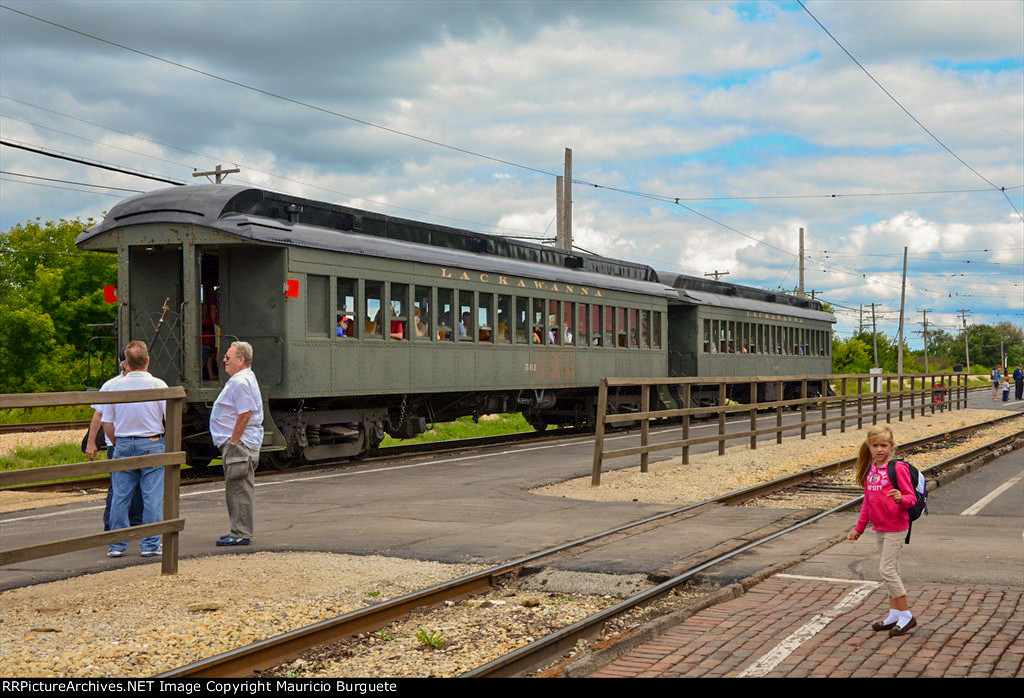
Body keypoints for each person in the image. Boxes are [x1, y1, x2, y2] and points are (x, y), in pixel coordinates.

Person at [846, 424, 918, 636]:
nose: (879, 450)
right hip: (880, 528)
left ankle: (906, 615)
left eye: (884, 445)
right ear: (869, 447)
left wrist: (900, 498)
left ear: (891, 446)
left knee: (886, 571)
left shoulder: (898, 469)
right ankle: (894, 613)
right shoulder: (872, 471)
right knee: (892, 571)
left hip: (896, 527)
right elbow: (867, 503)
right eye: (875, 445)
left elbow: (911, 498)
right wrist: (858, 529)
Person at [100, 341, 168, 558]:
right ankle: (150, 544)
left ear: (126, 363)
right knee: (152, 496)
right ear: (148, 360)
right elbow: (171, 417)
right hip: (151, 442)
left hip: (123, 443)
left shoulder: (114, 387)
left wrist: (118, 443)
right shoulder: (159, 385)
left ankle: (116, 545)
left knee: (121, 495)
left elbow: (107, 422)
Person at [210, 341, 264, 546]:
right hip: (241, 443)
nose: (223, 360)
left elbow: (245, 413)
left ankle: (241, 532)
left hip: (239, 445)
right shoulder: (243, 378)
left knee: (240, 488)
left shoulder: (240, 382)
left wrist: (233, 442)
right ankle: (237, 529)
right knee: (235, 488)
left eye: (227, 357)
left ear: (240, 360)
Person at [85, 357, 144, 531]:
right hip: (119, 442)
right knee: (122, 486)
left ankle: (129, 523)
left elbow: (99, 415)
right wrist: (91, 441)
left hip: (126, 441)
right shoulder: (112, 385)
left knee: (132, 486)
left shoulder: (119, 384)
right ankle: (115, 525)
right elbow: (99, 415)